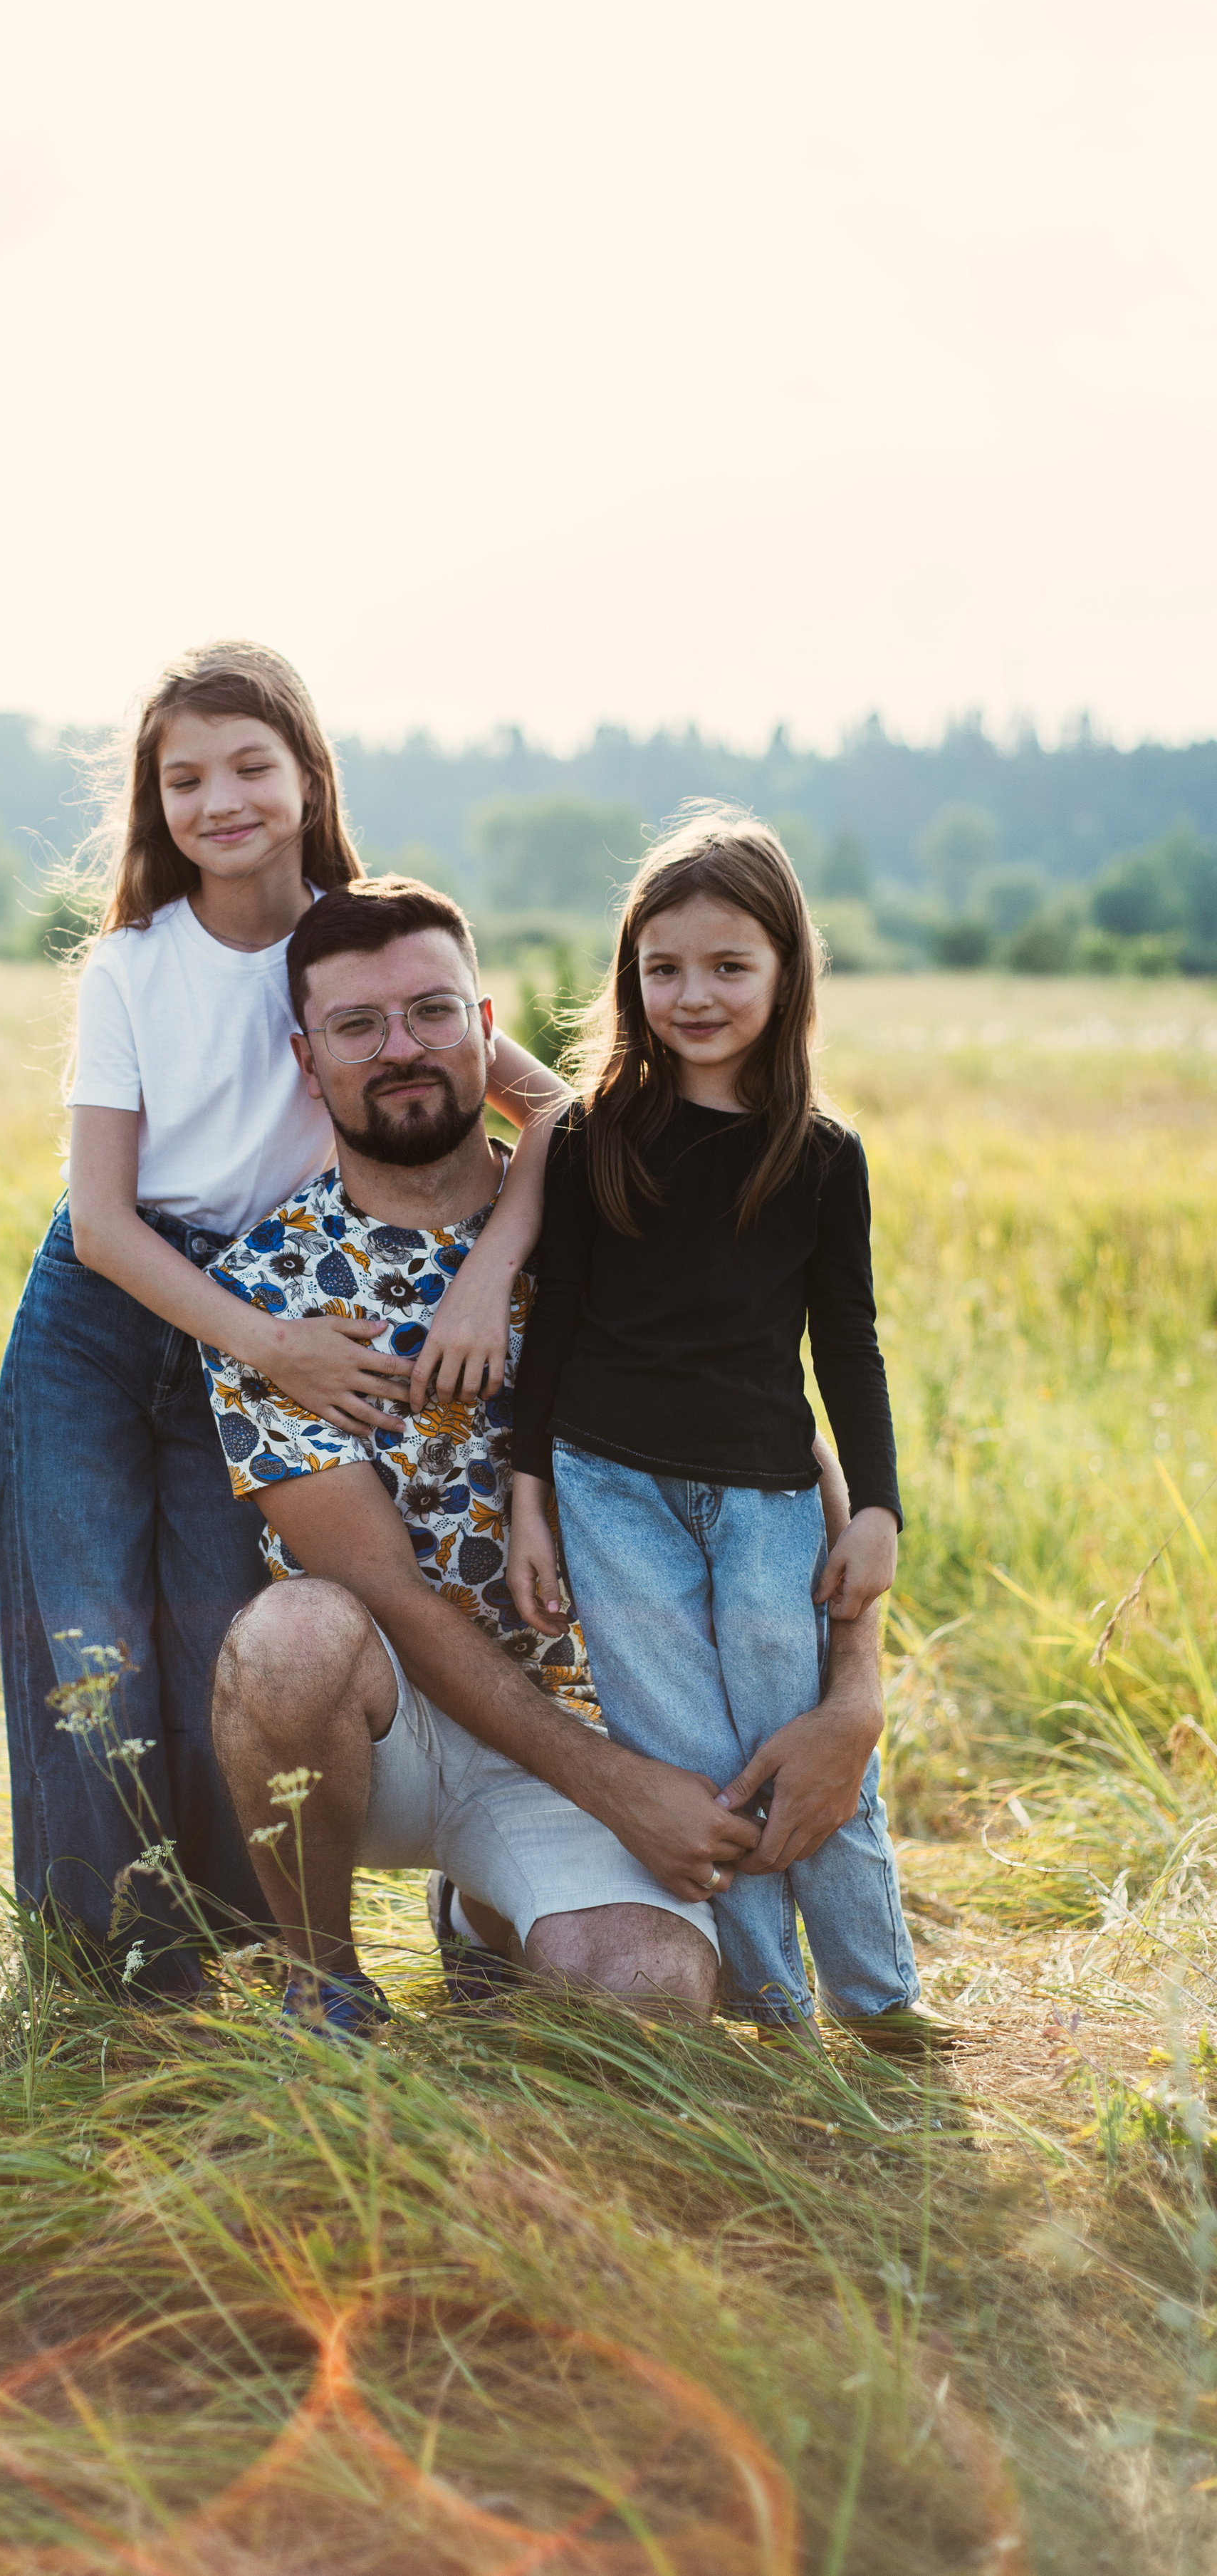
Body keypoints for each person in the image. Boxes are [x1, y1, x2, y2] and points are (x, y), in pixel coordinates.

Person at [202, 875, 887, 2035]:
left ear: (486, 1027)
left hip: (597, 1704)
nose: (400, 1048)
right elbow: (383, 1592)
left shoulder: (620, 1202)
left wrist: (856, 1692)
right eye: (356, 1025)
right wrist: (619, 1790)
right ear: (307, 1060)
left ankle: (485, 1916)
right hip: (389, 1726)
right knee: (290, 1638)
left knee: (649, 1998)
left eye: (431, 1011)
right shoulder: (267, 1289)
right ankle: (324, 1983)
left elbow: (779, 1425)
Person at [0, 644, 566, 1995]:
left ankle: (234, 1951)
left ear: (310, 776)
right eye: (184, 778)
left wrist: (488, 1275)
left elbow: (553, 1108)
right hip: (109, 1315)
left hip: (268, 1303)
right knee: (86, 1632)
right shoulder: (133, 965)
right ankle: (103, 1965)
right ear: (156, 803)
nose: (221, 800)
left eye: (251, 765)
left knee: (219, 1634)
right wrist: (272, 1346)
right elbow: (103, 1224)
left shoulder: (352, 952)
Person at [506, 806, 944, 2052]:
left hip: (764, 1495)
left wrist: (877, 1506)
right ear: (631, 976)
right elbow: (554, 1327)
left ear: (787, 970)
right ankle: (771, 2009)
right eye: (664, 968)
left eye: (728, 965)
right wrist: (531, 1495)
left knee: (794, 1742)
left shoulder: (820, 1155)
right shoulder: (593, 1136)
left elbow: (847, 1340)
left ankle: (879, 2000)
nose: (693, 995)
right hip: (608, 1489)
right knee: (694, 1761)